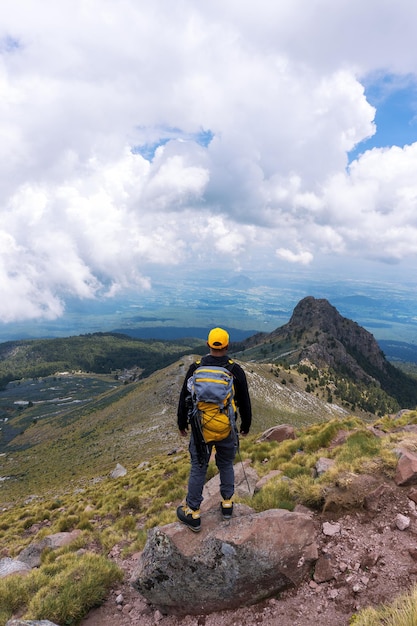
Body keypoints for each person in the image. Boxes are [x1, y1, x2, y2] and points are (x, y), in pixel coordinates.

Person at [176, 327, 252, 532]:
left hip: (201, 429)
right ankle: (227, 504)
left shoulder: (196, 368)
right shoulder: (234, 370)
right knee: (226, 464)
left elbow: (185, 398)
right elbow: (244, 401)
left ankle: (193, 512)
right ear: (227, 346)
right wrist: (245, 426)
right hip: (226, 427)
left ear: (208, 345)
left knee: (199, 466)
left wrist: (182, 423)